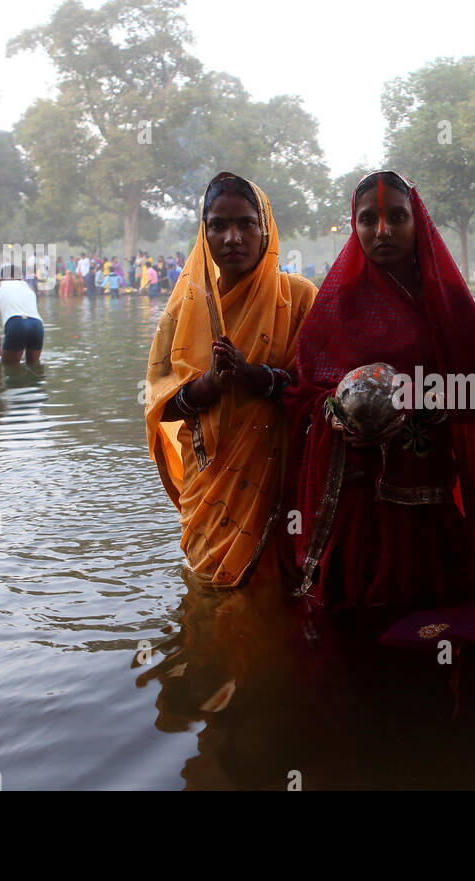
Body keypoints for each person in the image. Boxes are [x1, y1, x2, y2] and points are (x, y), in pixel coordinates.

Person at [284, 170, 475, 614]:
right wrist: (336, 416)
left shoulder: (448, 302)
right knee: (354, 624)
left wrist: (416, 404)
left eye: (397, 217)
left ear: (417, 221)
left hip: (426, 492)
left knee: (432, 621)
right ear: (354, 225)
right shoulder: (338, 301)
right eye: (368, 219)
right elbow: (306, 393)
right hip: (356, 495)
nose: (382, 231)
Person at [146, 172, 317, 588]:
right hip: (209, 488)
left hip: (279, 483)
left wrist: (256, 378)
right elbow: (159, 406)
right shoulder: (183, 310)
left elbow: (319, 393)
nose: (232, 237)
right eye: (218, 226)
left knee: (277, 600)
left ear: (265, 228)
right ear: (204, 233)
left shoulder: (298, 299)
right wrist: (208, 385)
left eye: (245, 223)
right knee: (212, 597)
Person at [0, 262, 44, 366]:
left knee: (9, 369)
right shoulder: (30, 288)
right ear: (20, 277)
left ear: (1, 277)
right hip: (37, 325)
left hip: (16, 324)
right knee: (34, 367)